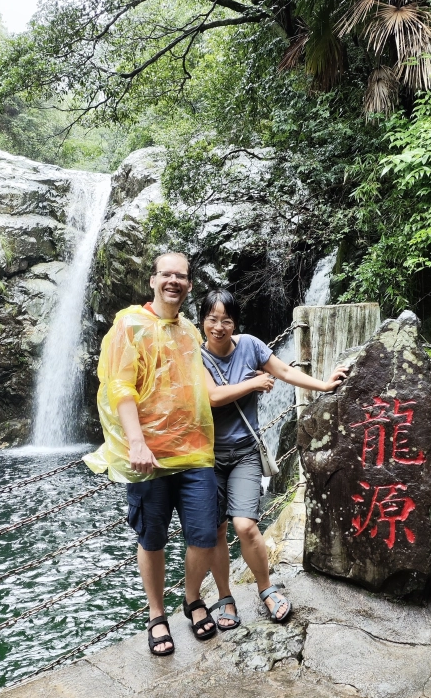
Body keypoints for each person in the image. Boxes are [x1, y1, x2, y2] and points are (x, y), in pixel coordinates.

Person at [84, 253, 219, 656]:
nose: (173, 281)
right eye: (166, 275)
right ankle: (156, 615)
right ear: (153, 280)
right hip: (149, 457)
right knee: (153, 537)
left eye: (181, 276)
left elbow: (205, 387)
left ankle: (192, 599)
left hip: (195, 451)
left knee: (203, 534)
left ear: (189, 285)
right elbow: (119, 387)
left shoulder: (192, 332)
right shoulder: (130, 325)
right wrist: (137, 442)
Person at [200, 288, 346, 628]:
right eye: (212, 319)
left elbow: (284, 371)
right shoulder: (196, 356)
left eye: (226, 320)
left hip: (245, 453)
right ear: (202, 321)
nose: (218, 327)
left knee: (245, 525)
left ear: (235, 323)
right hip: (207, 457)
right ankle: (225, 598)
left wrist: (323, 386)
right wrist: (253, 385)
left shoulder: (249, 345)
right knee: (216, 530)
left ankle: (266, 588)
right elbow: (212, 397)